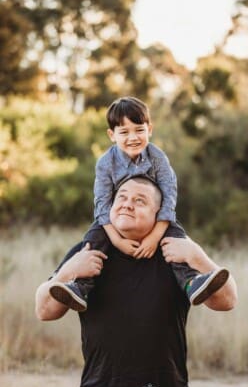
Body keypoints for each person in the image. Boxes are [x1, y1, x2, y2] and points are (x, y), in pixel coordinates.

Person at [36, 177, 237, 387]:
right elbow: (44, 311)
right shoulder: (88, 250)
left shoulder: (177, 251)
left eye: (139, 200)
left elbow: (228, 301)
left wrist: (198, 257)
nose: (127, 204)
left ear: (159, 214)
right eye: (122, 197)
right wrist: (68, 272)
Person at [49, 96, 229, 312]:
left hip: (157, 218)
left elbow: (169, 196)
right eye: (124, 132)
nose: (132, 137)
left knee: (176, 240)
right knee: (92, 242)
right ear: (111, 135)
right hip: (113, 221)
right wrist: (116, 240)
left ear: (149, 129)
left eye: (139, 130)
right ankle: (79, 287)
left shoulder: (157, 157)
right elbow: (102, 204)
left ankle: (192, 283)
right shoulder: (106, 163)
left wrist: (155, 236)